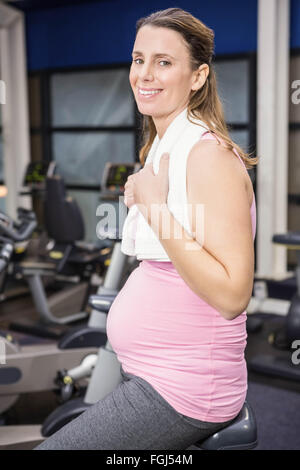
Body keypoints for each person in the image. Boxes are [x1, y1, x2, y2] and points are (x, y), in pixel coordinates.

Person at [36, 7, 257, 450]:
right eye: (139, 59)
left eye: (164, 61)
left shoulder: (208, 157)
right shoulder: (162, 147)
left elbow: (233, 296)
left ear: (197, 77)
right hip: (154, 373)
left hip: (185, 390)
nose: (144, 74)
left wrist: (154, 205)